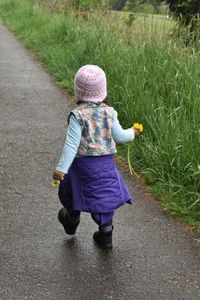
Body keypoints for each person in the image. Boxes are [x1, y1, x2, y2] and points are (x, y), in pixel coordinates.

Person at [53, 65, 140, 249]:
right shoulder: (110, 113)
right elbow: (121, 136)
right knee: (105, 195)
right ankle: (105, 235)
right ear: (103, 90)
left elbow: (71, 144)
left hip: (81, 167)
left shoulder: (78, 116)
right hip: (105, 165)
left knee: (73, 191)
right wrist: (133, 132)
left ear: (78, 90)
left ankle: (71, 220)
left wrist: (62, 168)